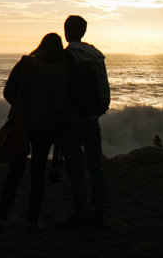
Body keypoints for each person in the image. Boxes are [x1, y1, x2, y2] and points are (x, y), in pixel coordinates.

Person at [0, 33, 68, 231]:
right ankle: (32, 221)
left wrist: (19, 109)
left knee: (14, 173)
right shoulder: (61, 72)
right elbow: (59, 103)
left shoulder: (25, 64)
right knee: (38, 174)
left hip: (20, 125)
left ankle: (0, 218)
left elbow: (8, 92)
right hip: (46, 127)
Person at [57, 15, 110, 230]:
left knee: (76, 169)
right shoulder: (97, 56)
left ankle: (80, 212)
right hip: (92, 120)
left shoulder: (65, 57)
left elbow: (61, 90)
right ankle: (98, 212)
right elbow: (104, 89)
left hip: (72, 121)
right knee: (96, 166)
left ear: (66, 32)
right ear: (84, 32)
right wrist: (98, 111)